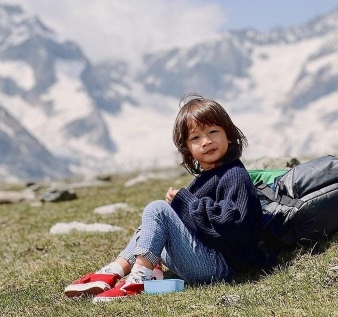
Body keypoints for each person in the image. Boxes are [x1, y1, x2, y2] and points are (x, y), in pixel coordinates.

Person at [64, 94, 264, 303]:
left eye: (213, 132)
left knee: (157, 210)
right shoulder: (205, 178)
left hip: (221, 266)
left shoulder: (234, 175)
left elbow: (231, 227)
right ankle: (113, 271)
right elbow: (194, 223)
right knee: (149, 226)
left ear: (229, 135)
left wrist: (184, 201)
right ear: (188, 149)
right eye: (195, 138)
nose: (206, 142)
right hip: (206, 260)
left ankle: (138, 280)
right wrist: (179, 207)